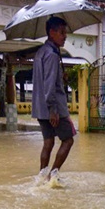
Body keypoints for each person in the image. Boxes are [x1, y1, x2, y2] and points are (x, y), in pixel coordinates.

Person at [32, 16, 75, 184]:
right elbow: (49, 85)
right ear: (51, 32)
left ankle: (42, 177)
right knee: (68, 140)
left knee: (48, 142)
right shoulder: (51, 55)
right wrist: (53, 110)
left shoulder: (41, 52)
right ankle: (53, 175)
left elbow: (45, 80)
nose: (65, 36)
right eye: (62, 32)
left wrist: (60, 76)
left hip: (40, 108)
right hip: (53, 107)